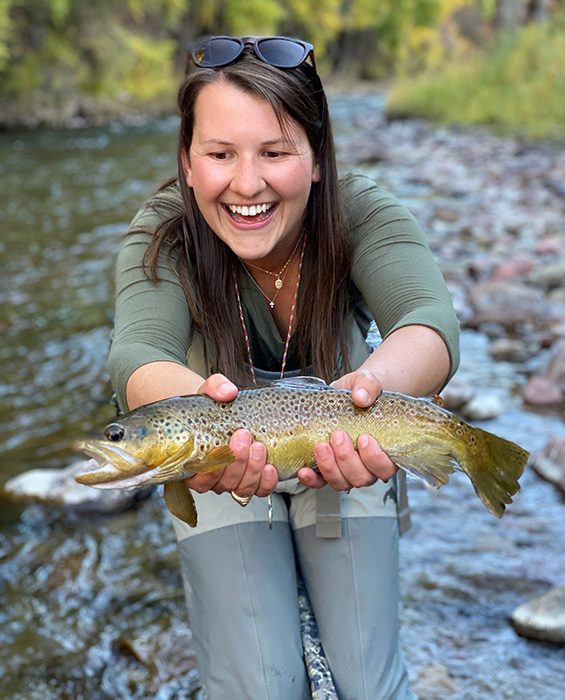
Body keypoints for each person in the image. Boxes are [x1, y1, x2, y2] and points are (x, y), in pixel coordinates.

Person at [107, 35, 460, 700]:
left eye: (275, 152)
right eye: (219, 155)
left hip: (346, 446)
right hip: (215, 464)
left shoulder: (361, 211)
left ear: (318, 158)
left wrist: (373, 392)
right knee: (258, 685)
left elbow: (429, 323)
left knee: (368, 682)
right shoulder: (163, 233)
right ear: (186, 161)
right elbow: (138, 355)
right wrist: (202, 429)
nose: (246, 184)